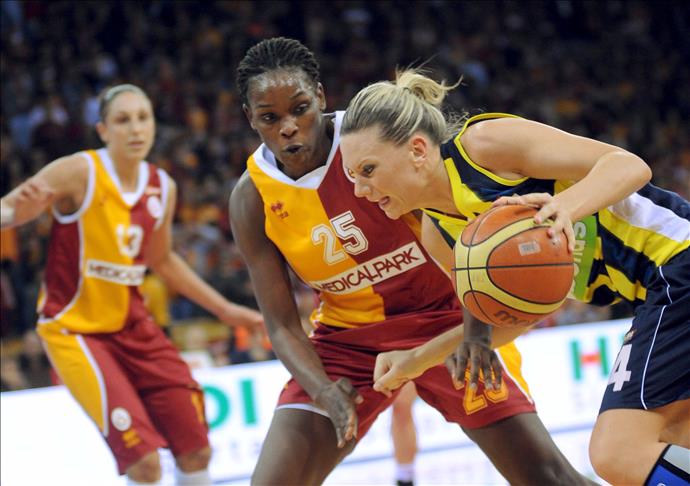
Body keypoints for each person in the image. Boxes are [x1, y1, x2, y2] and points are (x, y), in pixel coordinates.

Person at [231, 37, 595, 485]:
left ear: (321, 97)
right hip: (348, 340)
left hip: (446, 318)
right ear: (250, 118)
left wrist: (476, 332)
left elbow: (463, 238)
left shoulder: (371, 145)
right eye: (270, 117)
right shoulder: (251, 199)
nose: (289, 127)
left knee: (549, 478)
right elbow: (282, 325)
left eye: (300, 109)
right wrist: (322, 389)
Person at [339, 69, 690, 486]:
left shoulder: (482, 147)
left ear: (417, 149)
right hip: (654, 292)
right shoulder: (439, 234)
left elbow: (628, 165)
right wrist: (414, 361)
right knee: (669, 442)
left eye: (368, 169)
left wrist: (565, 207)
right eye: (353, 176)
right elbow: (513, 318)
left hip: (676, 261)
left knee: (618, 453)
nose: (360, 190)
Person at [0, 84, 264, 485]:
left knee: (197, 450)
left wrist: (226, 310)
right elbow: (9, 208)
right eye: (123, 120)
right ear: (103, 130)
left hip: (134, 326)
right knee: (145, 464)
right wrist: (17, 212)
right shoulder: (78, 171)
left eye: (143, 118)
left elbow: (162, 260)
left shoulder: (162, 186)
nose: (136, 128)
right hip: (75, 331)